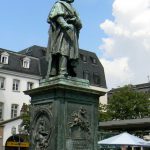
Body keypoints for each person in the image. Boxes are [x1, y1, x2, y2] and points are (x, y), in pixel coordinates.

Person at [46, 0, 82, 77]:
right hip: (63, 32)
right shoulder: (59, 4)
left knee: (70, 52)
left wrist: (75, 21)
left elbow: (80, 23)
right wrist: (65, 25)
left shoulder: (73, 8)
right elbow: (58, 16)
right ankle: (62, 70)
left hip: (72, 32)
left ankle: (69, 70)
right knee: (63, 50)